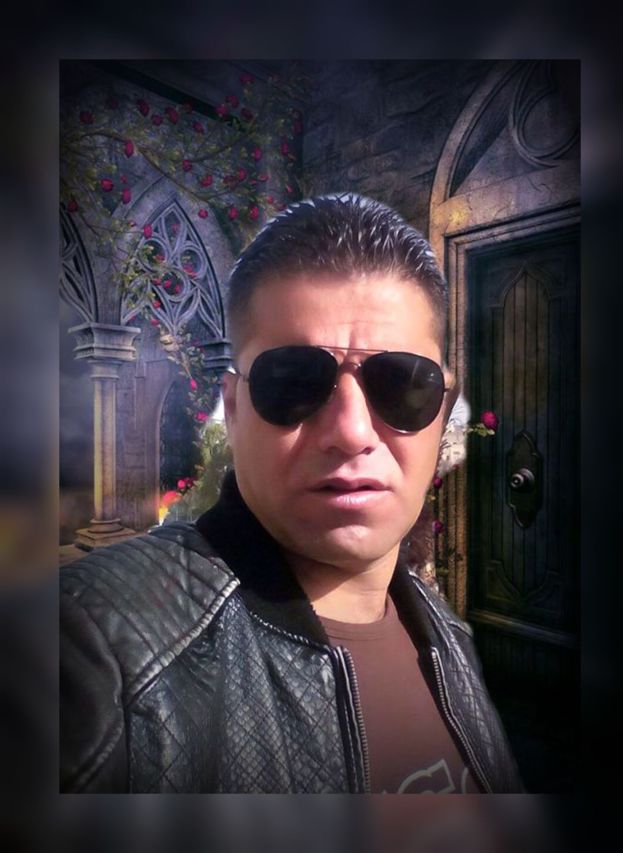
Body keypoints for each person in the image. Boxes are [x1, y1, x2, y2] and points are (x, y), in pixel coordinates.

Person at [60, 193, 523, 793]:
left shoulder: (447, 639)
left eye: (402, 384)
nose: (351, 432)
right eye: (293, 382)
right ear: (233, 409)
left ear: (442, 411)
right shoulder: (94, 648)